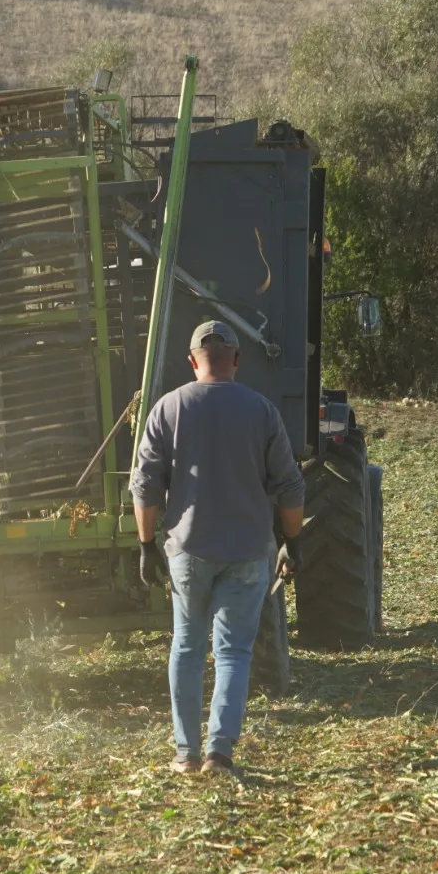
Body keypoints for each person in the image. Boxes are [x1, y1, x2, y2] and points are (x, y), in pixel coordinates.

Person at [130, 320, 305, 778]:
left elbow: (145, 485)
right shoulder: (262, 410)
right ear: (237, 360)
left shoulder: (168, 408)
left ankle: (186, 755)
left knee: (187, 647)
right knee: (233, 653)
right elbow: (289, 486)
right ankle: (219, 753)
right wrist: (293, 540)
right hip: (249, 551)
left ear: (192, 361)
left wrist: (147, 545)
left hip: (188, 550)